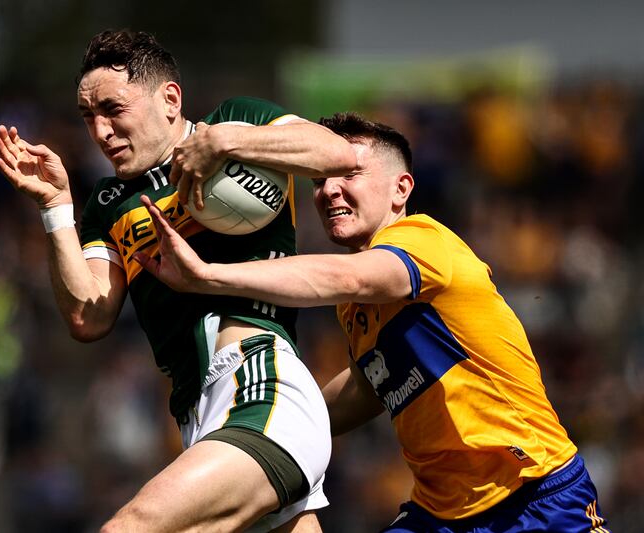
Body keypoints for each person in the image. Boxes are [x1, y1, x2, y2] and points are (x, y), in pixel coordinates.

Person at [134, 112, 611, 532]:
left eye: (349, 174)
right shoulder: (356, 309)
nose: (329, 190)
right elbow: (369, 386)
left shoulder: (425, 242)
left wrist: (209, 276)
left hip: (533, 498)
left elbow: (346, 277)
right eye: (319, 180)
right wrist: (258, 428)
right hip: (441, 516)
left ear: (401, 188)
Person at [0, 29, 357, 533]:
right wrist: (56, 208)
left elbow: (337, 154)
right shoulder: (107, 203)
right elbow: (88, 315)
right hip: (198, 416)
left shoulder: (238, 121)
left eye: (113, 109)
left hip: (257, 382)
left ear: (169, 100)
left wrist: (225, 139)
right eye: (88, 117)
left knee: (130, 527)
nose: (100, 132)